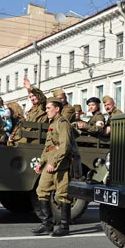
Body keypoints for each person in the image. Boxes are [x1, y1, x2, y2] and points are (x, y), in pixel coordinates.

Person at [32, 97, 77, 237]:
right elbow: (48, 147)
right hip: (50, 163)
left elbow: (65, 146)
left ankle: (64, 226)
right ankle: (47, 224)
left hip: (60, 165)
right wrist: (41, 163)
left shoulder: (63, 123)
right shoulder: (52, 124)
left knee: (63, 195)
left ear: (57, 109)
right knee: (41, 190)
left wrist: (54, 162)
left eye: (48, 108)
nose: (46, 111)